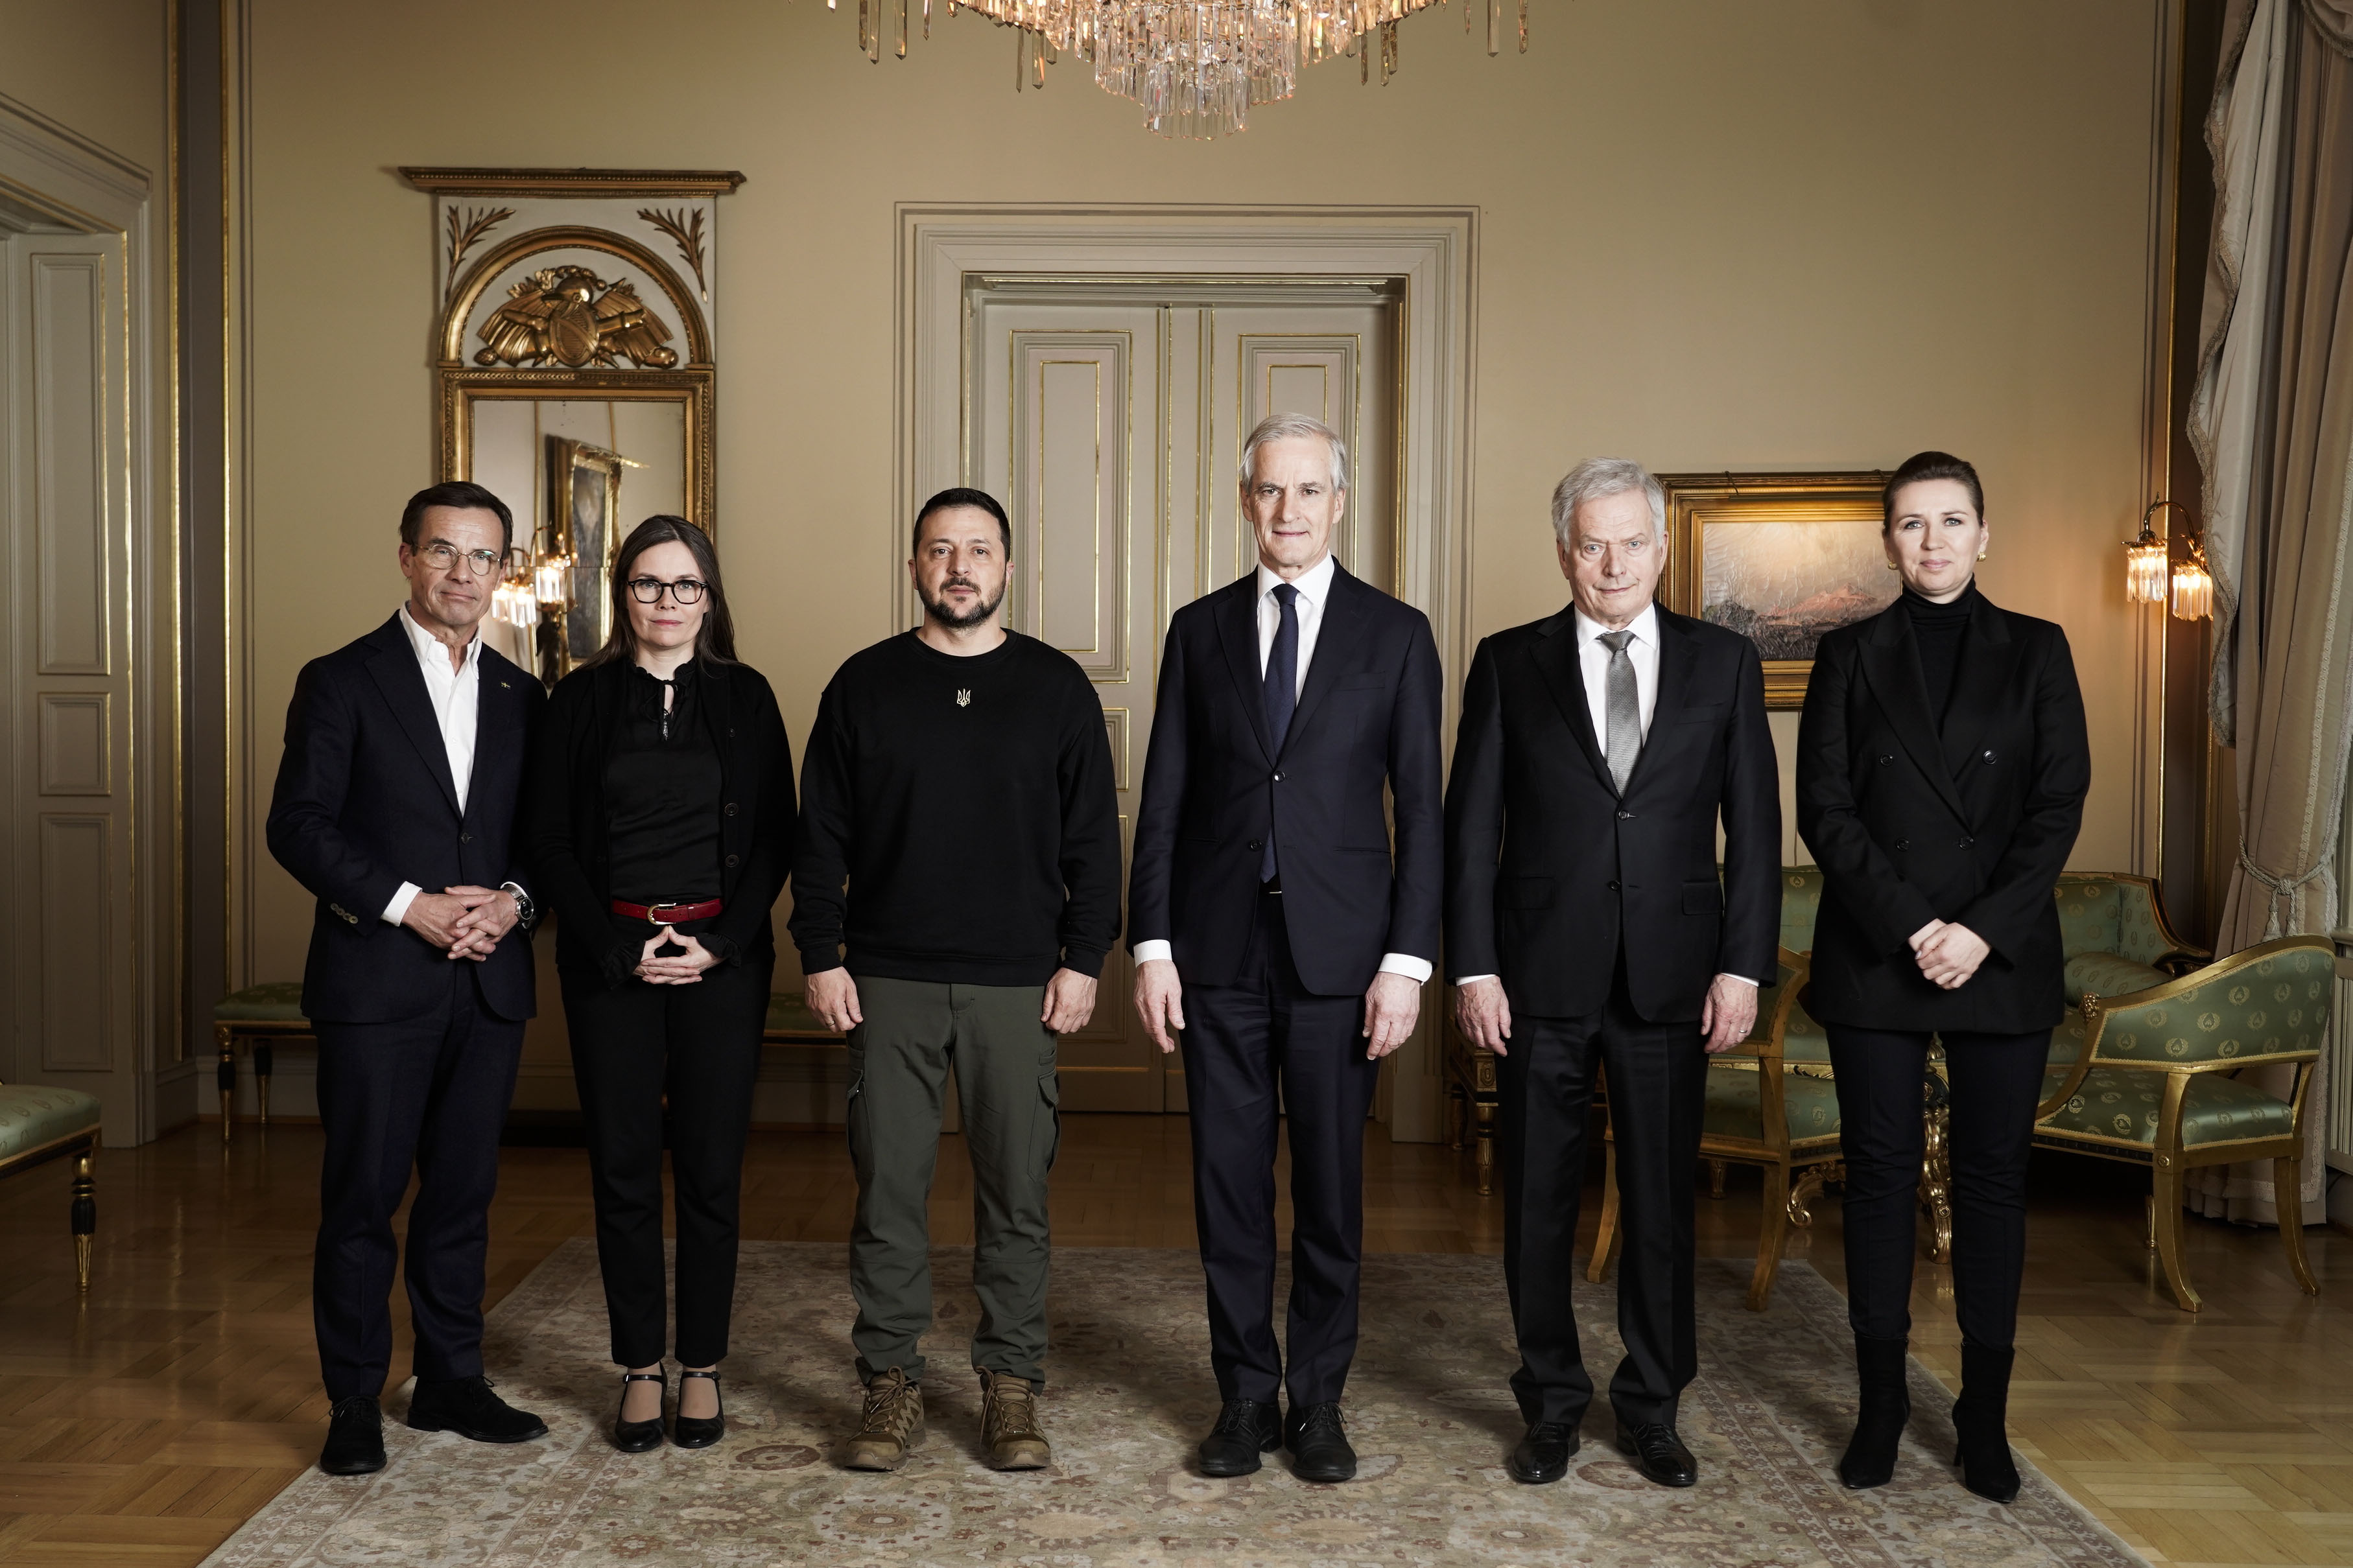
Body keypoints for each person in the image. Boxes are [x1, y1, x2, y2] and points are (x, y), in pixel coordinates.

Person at [1444, 458, 1779, 1490]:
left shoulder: (1723, 664)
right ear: (1562, 553)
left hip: (1674, 979)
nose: (1613, 562)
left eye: (1632, 542)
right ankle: (1549, 1404)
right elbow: (1469, 834)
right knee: (1537, 1203)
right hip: (1537, 976)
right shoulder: (1507, 662)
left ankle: (1651, 1406)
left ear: (1661, 548)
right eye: (1591, 544)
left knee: (1661, 1204)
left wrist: (1743, 969)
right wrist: (1472, 968)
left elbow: (1757, 832)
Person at [1129, 414, 1443, 1485]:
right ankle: (1242, 1399)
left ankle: (1318, 1402)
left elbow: (1425, 816)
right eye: (1270, 490)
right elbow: (1161, 798)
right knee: (1226, 1193)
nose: (1288, 511)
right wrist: (1152, 945)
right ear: (1244, 499)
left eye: (1309, 491)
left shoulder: (1396, 635)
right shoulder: (1197, 628)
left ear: (1338, 503)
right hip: (1216, 954)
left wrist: (1405, 964)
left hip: (1342, 965)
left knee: (1329, 1196)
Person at [792, 487, 1121, 1474]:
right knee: (887, 1191)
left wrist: (1081, 960)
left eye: (979, 550)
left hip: (1019, 982)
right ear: (914, 569)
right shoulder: (862, 685)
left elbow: (1096, 847)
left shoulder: (1057, 689)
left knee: (1016, 1193)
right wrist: (820, 952)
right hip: (885, 975)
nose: (960, 567)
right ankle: (888, 1384)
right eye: (940, 550)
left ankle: (1010, 1384)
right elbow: (819, 839)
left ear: (1007, 568)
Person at [1796, 451, 2087, 1504]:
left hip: (1999, 957)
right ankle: (1880, 1408)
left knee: (1992, 1187)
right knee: (1874, 1183)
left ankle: (1982, 1418)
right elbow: (1822, 810)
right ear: (1887, 539)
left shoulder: (2040, 651)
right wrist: (1917, 921)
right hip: (1880, 950)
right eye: (1911, 524)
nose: (1931, 542)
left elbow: (2056, 808)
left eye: (1951, 521)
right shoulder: (1848, 654)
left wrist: (1976, 930)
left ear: (1983, 533)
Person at [265, 480, 549, 1476]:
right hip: (377, 983)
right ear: (405, 557)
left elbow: (540, 842)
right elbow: (296, 825)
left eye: (483, 557)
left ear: (502, 570)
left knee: (462, 1197)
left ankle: (451, 1380)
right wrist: (407, 904)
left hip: (488, 984)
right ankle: (353, 1399)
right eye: (444, 552)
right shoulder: (341, 679)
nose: (463, 574)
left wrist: (513, 901)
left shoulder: (524, 695)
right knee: (362, 1199)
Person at [523, 515, 794, 1453]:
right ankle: (641, 1366)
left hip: (721, 961)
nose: (667, 602)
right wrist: (611, 949)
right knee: (625, 1170)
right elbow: (550, 844)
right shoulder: (578, 700)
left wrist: (719, 940)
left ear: (710, 598)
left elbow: (774, 839)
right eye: (647, 584)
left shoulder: (749, 697)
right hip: (612, 962)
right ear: (621, 594)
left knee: (712, 1171)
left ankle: (704, 1366)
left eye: (685, 586)